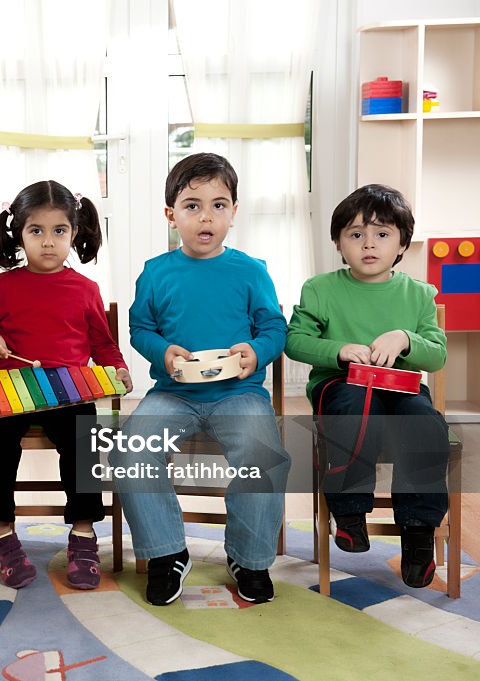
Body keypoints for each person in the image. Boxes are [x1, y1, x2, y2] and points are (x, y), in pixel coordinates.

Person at [119, 152, 290, 605]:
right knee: (130, 452)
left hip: (239, 393)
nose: (206, 216)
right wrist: (163, 352)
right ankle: (167, 552)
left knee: (265, 456)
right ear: (171, 215)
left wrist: (256, 351)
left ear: (234, 212)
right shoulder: (157, 272)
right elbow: (142, 328)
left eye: (219, 204)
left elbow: (274, 328)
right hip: (174, 393)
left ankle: (250, 559)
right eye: (192, 205)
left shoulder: (251, 271)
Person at [0, 180, 132, 590]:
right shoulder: (3, 286)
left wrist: (119, 369)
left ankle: (83, 532)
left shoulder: (86, 289)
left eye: (59, 231)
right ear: (19, 234)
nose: (47, 242)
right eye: (36, 231)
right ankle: (2, 531)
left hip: (69, 390)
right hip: (14, 387)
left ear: (74, 233)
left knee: (83, 442)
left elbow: (102, 345)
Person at [286, 184, 448, 589]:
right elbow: (294, 341)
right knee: (355, 409)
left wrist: (405, 339)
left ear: (402, 244)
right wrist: (339, 350)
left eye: (382, 233)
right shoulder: (321, 289)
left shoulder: (418, 294)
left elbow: (437, 355)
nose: (368, 244)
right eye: (355, 235)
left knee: (425, 424)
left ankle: (417, 532)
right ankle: (349, 511)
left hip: (401, 388)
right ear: (339, 244)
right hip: (341, 385)